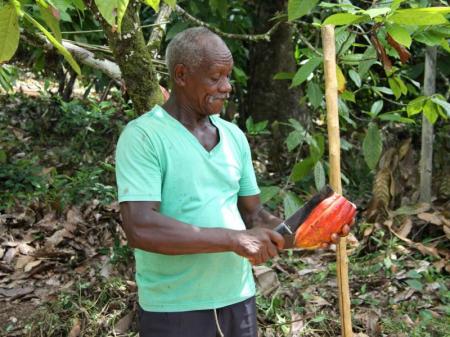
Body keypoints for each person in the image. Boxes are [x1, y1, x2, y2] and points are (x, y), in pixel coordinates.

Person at [115, 27, 352, 337]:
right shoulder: (144, 136)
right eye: (215, 77)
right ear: (181, 75)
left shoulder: (234, 137)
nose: (226, 87)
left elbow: (254, 216)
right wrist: (233, 239)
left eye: (228, 77)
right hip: (174, 307)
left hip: (238, 299)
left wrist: (310, 232)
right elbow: (140, 227)